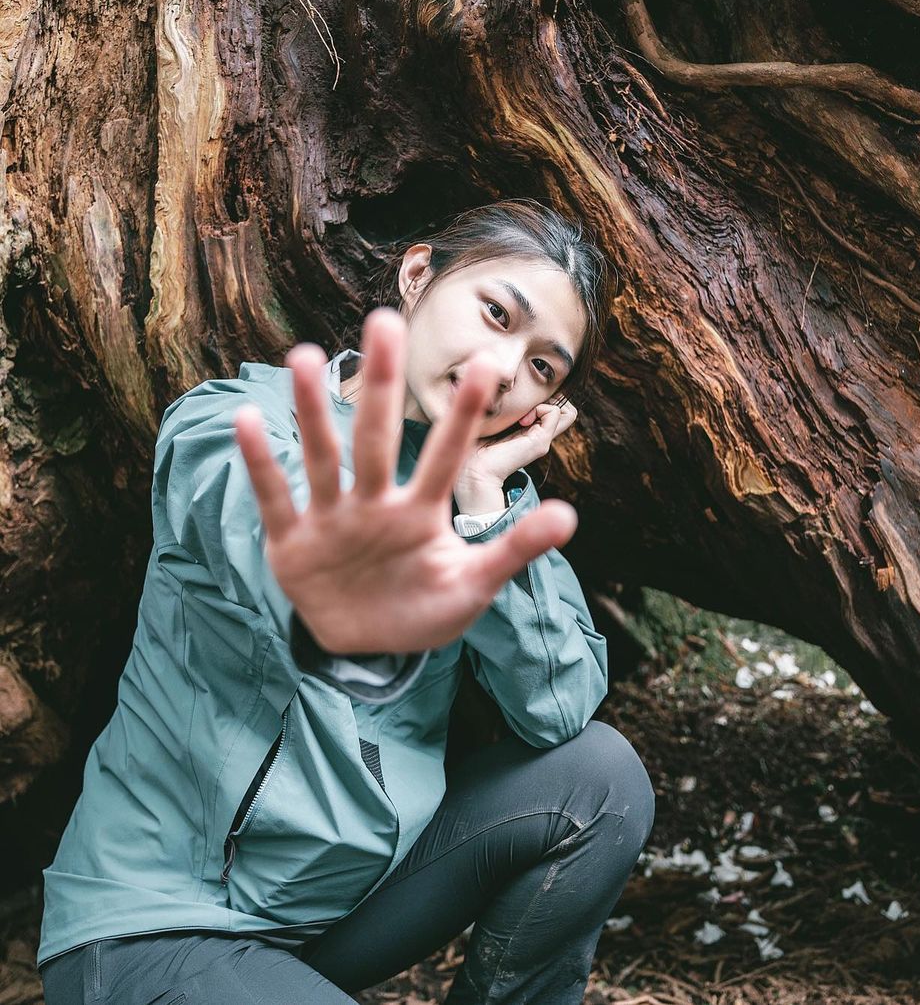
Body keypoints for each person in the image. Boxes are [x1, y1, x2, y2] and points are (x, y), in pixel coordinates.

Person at [37, 199, 655, 1004]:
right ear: (418, 275)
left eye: (542, 367)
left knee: (601, 778)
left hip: (336, 916)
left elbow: (559, 710)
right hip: (158, 926)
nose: (505, 369)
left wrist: (481, 506)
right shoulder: (237, 429)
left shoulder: (485, 503)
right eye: (497, 314)